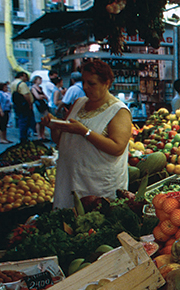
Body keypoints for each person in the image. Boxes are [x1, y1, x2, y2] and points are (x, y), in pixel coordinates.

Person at [43, 60, 131, 209]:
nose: (85, 87)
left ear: (107, 83)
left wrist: (84, 132)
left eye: (91, 83)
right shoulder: (78, 103)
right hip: (71, 178)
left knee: (93, 223)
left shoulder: (118, 111)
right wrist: (54, 125)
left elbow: (117, 148)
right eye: (83, 82)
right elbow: (60, 140)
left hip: (98, 183)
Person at [9, 71, 35, 142]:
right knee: (25, 121)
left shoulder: (13, 83)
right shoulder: (22, 84)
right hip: (24, 105)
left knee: (21, 119)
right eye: (26, 77)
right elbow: (26, 95)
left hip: (17, 104)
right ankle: (24, 136)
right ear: (22, 76)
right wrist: (30, 104)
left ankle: (23, 135)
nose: (26, 79)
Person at [30, 75, 49, 139]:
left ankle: (42, 134)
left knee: (43, 120)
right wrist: (42, 96)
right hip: (37, 105)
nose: (40, 81)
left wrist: (42, 96)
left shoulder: (40, 88)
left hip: (42, 105)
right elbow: (37, 96)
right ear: (35, 80)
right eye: (39, 80)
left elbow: (44, 96)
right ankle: (39, 135)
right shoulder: (33, 88)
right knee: (38, 121)